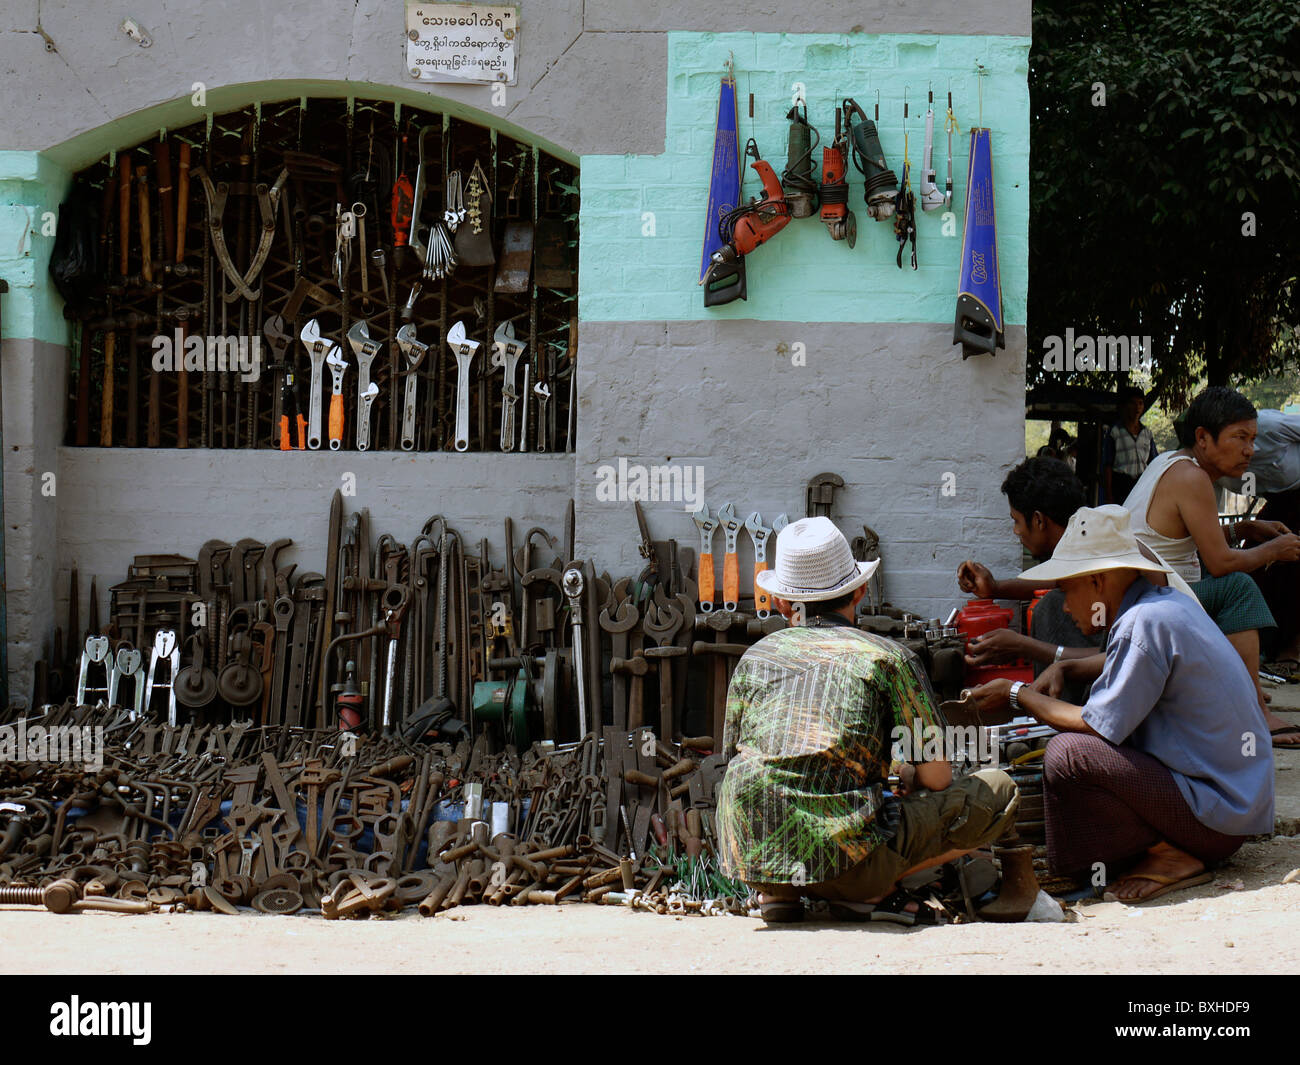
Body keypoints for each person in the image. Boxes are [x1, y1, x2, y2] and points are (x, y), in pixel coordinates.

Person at [715, 516, 1019, 924]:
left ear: (784, 603)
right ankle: (867, 891)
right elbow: (938, 779)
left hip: (754, 857)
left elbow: (736, 755)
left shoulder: (755, 658)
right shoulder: (889, 658)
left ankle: (779, 894)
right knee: (999, 791)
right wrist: (905, 773)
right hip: (848, 862)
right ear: (859, 590)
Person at [967, 506, 1274, 903]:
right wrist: (1069, 668)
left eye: (1066, 590)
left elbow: (1096, 726)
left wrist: (1016, 693)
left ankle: (1168, 855)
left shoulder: (1143, 622)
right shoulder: (1164, 606)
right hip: (1232, 810)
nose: (1063, 605)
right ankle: (1147, 850)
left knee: (1069, 754)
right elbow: (1128, 660)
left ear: (1097, 582)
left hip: (1215, 820)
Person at [1124, 386, 1300, 746]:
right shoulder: (1193, 478)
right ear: (1203, 437)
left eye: (1252, 438)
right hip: (1149, 601)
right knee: (1238, 587)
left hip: (1147, 592)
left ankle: (1237, 685)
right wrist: (1274, 550)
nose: (1249, 450)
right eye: (1239, 438)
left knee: (1224, 582)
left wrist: (1245, 528)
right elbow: (1220, 562)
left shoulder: (1172, 463)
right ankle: (1255, 711)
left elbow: (1192, 537)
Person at [957, 457, 1193, 703]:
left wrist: (1026, 647)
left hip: (1170, 686)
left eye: (1016, 521)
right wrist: (994, 588)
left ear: (1038, 520)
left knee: (1050, 609)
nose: (1016, 531)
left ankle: (1063, 712)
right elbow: (1056, 583)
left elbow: (1128, 653)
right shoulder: (1087, 551)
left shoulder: (1115, 559)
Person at [1227, 408, 1300, 673]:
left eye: (1250, 440)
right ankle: (1263, 641)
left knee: (1294, 557)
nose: (1247, 449)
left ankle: (1291, 647)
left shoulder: (1272, 427)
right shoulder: (1219, 471)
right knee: (1258, 560)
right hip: (1281, 500)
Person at [1102, 385, 1158, 504]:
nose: (1137, 407)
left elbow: (1154, 463)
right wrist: (1109, 495)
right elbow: (1107, 466)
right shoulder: (1114, 432)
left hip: (1141, 485)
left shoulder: (1147, 433)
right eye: (1132, 403)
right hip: (1121, 485)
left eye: (1140, 403)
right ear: (1124, 406)